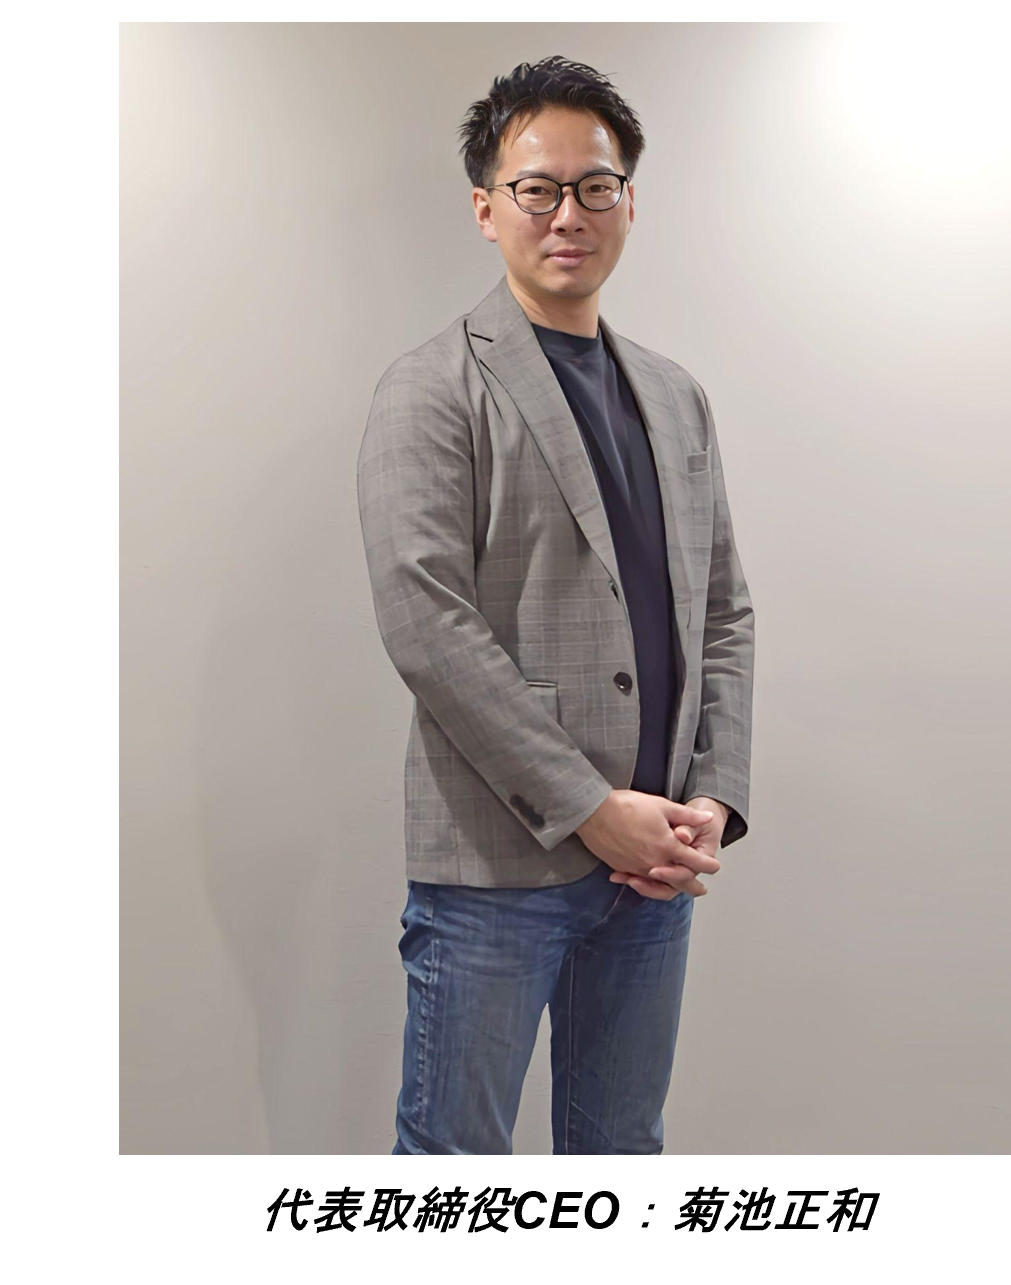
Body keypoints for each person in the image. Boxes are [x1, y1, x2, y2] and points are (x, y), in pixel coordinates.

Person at [354, 55, 756, 1155]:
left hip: (654, 862)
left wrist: (711, 795)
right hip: (495, 864)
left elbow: (723, 610)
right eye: (536, 188)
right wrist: (587, 804)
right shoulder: (430, 387)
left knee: (621, 1141)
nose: (568, 213)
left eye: (594, 185)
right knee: (455, 1143)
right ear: (487, 208)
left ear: (630, 201)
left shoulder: (674, 396)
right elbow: (425, 622)